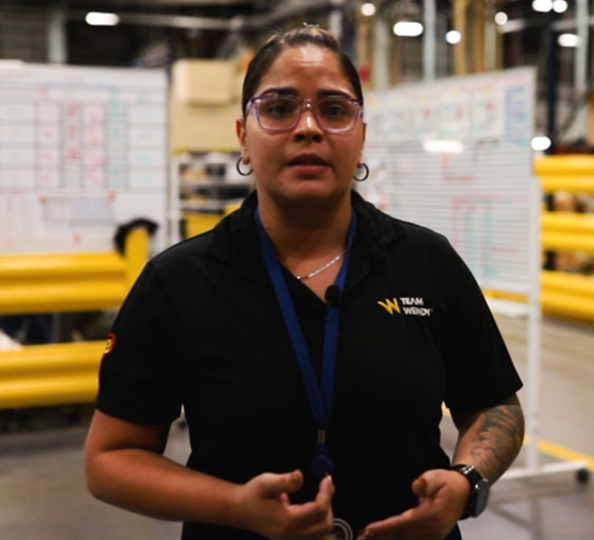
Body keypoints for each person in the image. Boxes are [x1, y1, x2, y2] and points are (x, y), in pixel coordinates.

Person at [84, 25, 525, 540]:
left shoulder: (426, 262)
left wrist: (467, 481)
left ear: (361, 136)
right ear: (243, 134)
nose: (308, 127)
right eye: (279, 108)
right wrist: (234, 506)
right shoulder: (180, 280)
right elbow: (110, 459)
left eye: (334, 110)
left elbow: (495, 403)